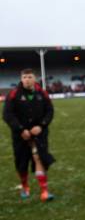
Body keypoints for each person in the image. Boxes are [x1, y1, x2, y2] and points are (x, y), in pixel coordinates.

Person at [3, 69, 55, 201]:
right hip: (20, 135)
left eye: (29, 77)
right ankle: (25, 186)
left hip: (39, 134)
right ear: (21, 79)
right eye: (24, 77)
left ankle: (44, 191)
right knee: (22, 162)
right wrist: (21, 129)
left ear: (35, 79)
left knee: (39, 158)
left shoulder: (42, 93)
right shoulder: (13, 94)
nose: (27, 79)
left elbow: (49, 111)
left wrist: (41, 126)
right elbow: (7, 115)